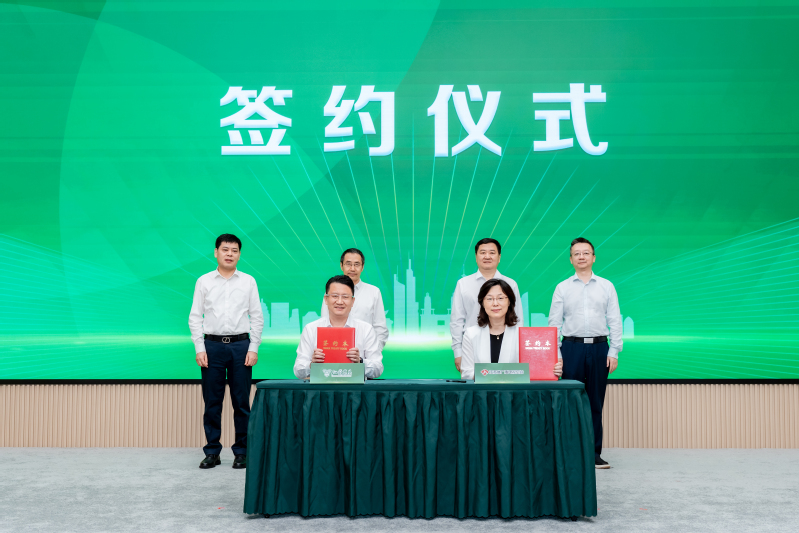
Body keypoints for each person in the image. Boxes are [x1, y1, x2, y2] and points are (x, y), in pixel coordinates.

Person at [189, 234, 263, 470]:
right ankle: (212, 451)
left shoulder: (248, 281)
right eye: (225, 249)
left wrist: (253, 347)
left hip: (241, 346)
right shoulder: (204, 281)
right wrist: (200, 348)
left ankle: (241, 452)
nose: (229, 254)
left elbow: (257, 317)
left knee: (241, 402)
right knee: (212, 402)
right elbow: (194, 317)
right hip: (212, 346)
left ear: (239, 254)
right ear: (216, 252)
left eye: (234, 250)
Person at [548, 237, 622, 470]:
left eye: (586, 253)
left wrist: (614, 351)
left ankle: (594, 453)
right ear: (571, 259)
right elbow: (554, 324)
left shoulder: (606, 286)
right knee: (570, 402)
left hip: (600, 348)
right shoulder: (562, 287)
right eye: (577, 253)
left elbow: (615, 320)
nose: (581, 256)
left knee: (595, 403)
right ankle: (570, 453)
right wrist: (557, 355)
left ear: (594, 257)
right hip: (571, 348)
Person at [461, 279, 562, 380]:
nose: (495, 303)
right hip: (482, 389)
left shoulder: (524, 335)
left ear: (509, 301)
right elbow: (466, 373)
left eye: (500, 298)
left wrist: (553, 370)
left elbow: (534, 370)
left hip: (515, 389)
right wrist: (496, 375)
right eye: (489, 299)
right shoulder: (471, 334)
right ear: (482, 303)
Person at [451, 238, 524, 373]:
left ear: (499, 257)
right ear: (476, 256)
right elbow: (457, 320)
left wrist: (520, 350)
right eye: (483, 252)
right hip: (472, 346)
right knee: (475, 380)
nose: (487, 256)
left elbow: (518, 319)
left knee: (506, 381)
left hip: (506, 346)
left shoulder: (511, 284)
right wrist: (458, 352)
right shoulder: (463, 284)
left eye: (492, 252)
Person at [295, 275, 384, 379]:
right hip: (321, 388)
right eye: (335, 296)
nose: (340, 302)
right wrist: (312, 364)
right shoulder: (311, 329)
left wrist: (360, 361)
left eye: (345, 297)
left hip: (355, 388)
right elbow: (298, 369)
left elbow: (378, 368)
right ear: (326, 299)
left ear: (353, 301)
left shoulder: (366, 329)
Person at [320, 248, 389, 349]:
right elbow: (324, 323)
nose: (352, 269)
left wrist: (372, 353)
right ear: (341, 266)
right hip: (336, 349)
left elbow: (380, 328)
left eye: (357, 264)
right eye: (348, 264)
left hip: (365, 353)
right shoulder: (331, 292)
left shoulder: (374, 292)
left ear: (362, 267)